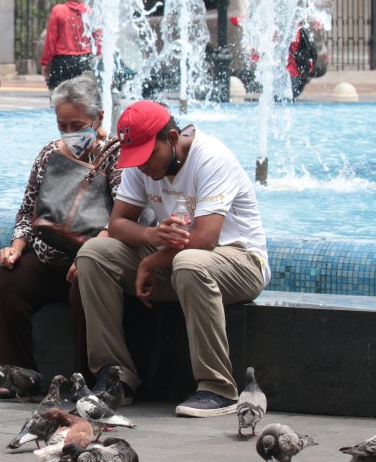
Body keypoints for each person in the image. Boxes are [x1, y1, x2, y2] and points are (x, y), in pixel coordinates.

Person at [75, 100, 269, 417]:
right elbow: (119, 222)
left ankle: (217, 388)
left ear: (173, 138)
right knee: (94, 254)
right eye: (135, 158)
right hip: (180, 260)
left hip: (241, 261)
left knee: (189, 262)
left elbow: (206, 238)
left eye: (149, 156)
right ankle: (116, 379)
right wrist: (150, 236)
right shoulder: (142, 165)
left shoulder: (211, 157)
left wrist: (151, 261)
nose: (143, 166)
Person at [0, 76, 121, 394]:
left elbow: (122, 218)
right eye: (62, 125)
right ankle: (20, 374)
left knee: (85, 287)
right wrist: (16, 246)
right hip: (50, 258)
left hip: (91, 261)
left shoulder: (117, 155)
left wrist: (90, 253)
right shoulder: (49, 154)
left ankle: (83, 382)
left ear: (98, 118)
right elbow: (26, 211)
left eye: (76, 125)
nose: (69, 134)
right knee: (8, 280)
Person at [41, 0, 98, 90]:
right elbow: (98, 40)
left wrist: (46, 62)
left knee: (60, 101)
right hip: (84, 62)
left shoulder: (58, 10)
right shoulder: (90, 13)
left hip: (62, 63)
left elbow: (51, 41)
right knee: (84, 101)